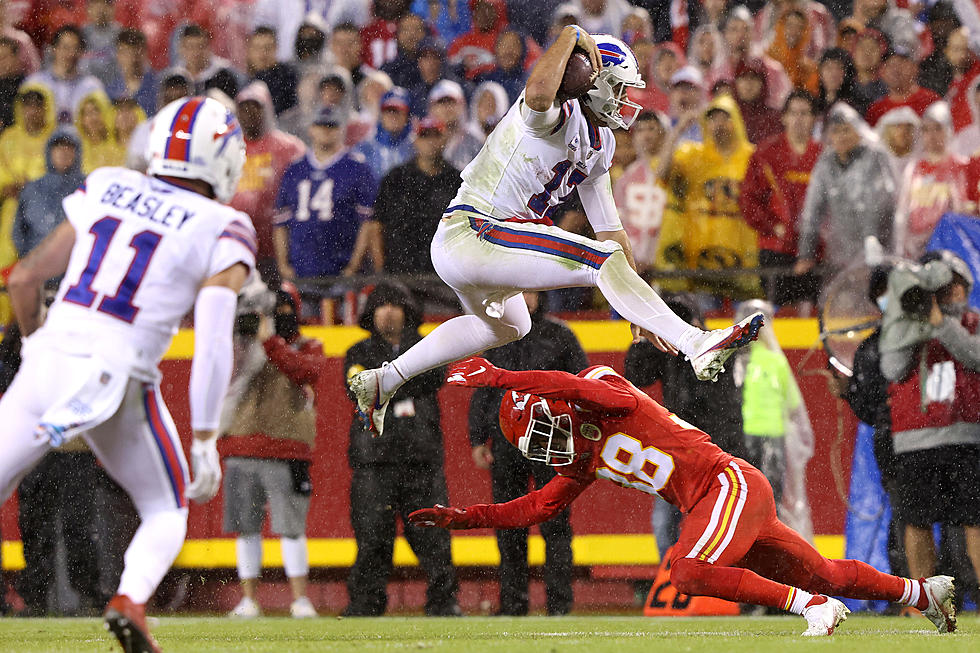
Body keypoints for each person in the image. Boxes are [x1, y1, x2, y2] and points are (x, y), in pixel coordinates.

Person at [349, 27, 765, 436]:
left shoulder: (600, 141)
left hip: (477, 248)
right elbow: (538, 94)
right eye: (617, 88)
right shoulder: (551, 112)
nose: (625, 100)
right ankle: (696, 343)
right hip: (474, 231)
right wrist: (571, 35)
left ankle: (385, 380)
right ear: (587, 80)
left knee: (510, 326)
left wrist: (641, 305)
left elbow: (612, 232)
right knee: (597, 263)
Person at [411, 356, 959, 636]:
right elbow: (537, 507)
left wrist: (502, 377)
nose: (546, 447)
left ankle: (812, 609)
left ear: (547, 407)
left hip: (726, 484)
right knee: (822, 572)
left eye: (540, 431)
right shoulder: (582, 454)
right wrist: (463, 518)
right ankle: (922, 594)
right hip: (722, 497)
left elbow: (579, 389)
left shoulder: (598, 391)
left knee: (689, 571)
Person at [0, 95, 253, 653]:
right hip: (118, 375)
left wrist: (39, 341)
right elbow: (212, 337)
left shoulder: (107, 183)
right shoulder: (223, 223)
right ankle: (130, 600)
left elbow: (23, 280)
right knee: (165, 510)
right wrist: (207, 437)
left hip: (47, 358)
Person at [343, 282, 461, 617]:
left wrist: (385, 380)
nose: (389, 311)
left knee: (434, 538)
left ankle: (444, 603)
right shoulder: (357, 352)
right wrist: (405, 377)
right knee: (372, 540)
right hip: (373, 462)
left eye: (396, 304)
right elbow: (358, 389)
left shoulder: (428, 347)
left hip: (421, 460)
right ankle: (365, 605)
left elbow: (435, 377)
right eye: (382, 305)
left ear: (407, 312)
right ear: (371, 313)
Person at [467, 291, 582, 615]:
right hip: (510, 443)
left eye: (529, 291)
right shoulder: (501, 337)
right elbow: (484, 391)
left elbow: (582, 388)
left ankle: (559, 604)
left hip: (553, 443)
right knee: (509, 526)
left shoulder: (559, 336)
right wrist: (478, 439)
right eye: (518, 292)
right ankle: (514, 604)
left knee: (555, 527)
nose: (526, 298)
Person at [878, 251, 980, 608]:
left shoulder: (973, 321)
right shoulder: (905, 326)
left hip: (966, 433)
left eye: (956, 286)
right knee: (917, 523)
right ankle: (927, 607)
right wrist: (912, 318)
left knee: (976, 521)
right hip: (914, 440)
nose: (953, 294)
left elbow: (975, 355)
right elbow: (891, 368)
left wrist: (940, 323)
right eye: (946, 287)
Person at [221, 280, 320, 620]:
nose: (276, 316)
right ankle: (249, 600)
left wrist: (270, 341)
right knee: (245, 528)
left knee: (291, 528)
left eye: (281, 309)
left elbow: (306, 371)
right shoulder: (238, 346)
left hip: (287, 447)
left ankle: (300, 599)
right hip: (243, 443)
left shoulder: (309, 344)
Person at [624, 292, 745, 560]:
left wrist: (692, 345)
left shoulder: (717, 348)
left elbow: (717, 405)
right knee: (664, 525)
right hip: (678, 453)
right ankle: (675, 584)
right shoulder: (668, 353)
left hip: (710, 454)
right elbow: (636, 374)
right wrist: (646, 335)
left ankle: (700, 587)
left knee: (707, 526)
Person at [274, 107, 381, 281]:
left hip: (341, 269)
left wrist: (353, 265)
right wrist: (283, 265)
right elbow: (280, 222)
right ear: (311, 128)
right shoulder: (295, 169)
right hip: (302, 270)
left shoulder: (357, 168)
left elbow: (367, 222)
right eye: (321, 125)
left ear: (341, 129)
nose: (326, 130)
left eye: (331, 125)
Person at [739, 90, 822, 306]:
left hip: (815, 250)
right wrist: (772, 226)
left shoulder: (824, 155)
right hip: (775, 248)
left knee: (812, 314)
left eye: (805, 113)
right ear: (784, 117)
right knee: (779, 312)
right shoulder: (765, 153)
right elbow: (748, 199)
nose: (799, 120)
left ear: (814, 118)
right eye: (794, 113)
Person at [795, 103, 896, 277]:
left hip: (877, 254)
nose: (841, 137)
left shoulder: (875, 157)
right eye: (835, 131)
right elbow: (812, 210)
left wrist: (872, 243)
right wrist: (806, 253)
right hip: (838, 256)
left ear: (858, 131)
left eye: (846, 130)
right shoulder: (826, 163)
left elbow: (880, 204)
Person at [230, 81, 306, 280]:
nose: (250, 114)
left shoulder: (289, 148)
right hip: (236, 243)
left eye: (255, 108)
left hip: (277, 246)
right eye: (244, 109)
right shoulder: (228, 148)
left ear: (267, 110)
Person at [375, 117, 462, 275]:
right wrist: (382, 270)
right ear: (415, 141)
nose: (430, 141)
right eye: (424, 135)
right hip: (400, 271)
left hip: (442, 275)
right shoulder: (396, 178)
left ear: (445, 139)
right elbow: (376, 225)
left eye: (435, 135)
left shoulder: (457, 180)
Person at [13, 129, 84, 258]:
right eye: (58, 146)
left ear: (77, 152)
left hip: (76, 267)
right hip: (38, 267)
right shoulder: (33, 189)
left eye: (69, 146)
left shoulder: (89, 187)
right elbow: (18, 230)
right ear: (49, 152)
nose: (63, 151)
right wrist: (28, 258)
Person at [24, 24, 103, 124]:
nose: (70, 54)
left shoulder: (92, 86)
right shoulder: (35, 83)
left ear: (82, 52)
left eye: (75, 48)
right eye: (65, 47)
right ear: (54, 49)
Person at [245, 26, 298, 116]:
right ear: (249, 50)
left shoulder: (287, 77)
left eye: (267, 47)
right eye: (257, 47)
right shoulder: (241, 79)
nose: (262, 53)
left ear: (276, 48)